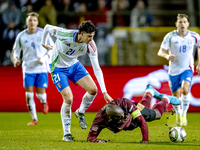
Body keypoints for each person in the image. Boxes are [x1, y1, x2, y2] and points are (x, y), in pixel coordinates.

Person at [41, 20, 113, 142]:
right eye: (89, 36)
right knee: (68, 99)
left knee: (93, 90)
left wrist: (104, 91)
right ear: (81, 33)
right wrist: (44, 44)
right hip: (58, 68)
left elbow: (97, 68)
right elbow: (47, 28)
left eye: (93, 36)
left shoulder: (90, 45)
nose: (91, 39)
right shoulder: (65, 34)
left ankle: (80, 111)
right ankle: (67, 134)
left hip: (74, 65)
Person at [87, 84, 181, 143]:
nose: (123, 119)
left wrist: (145, 140)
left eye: (123, 117)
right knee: (146, 109)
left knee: (156, 115)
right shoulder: (99, 120)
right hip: (128, 118)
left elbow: (142, 121)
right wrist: (99, 141)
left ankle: (166, 99)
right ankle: (149, 92)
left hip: (134, 109)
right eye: (120, 120)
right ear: (109, 119)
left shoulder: (126, 104)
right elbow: (90, 137)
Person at [157, 14, 200, 126]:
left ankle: (184, 115)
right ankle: (178, 113)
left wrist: (199, 63)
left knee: (185, 89)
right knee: (176, 96)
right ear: (176, 24)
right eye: (180, 22)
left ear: (188, 24)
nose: (182, 24)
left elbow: (199, 47)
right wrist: (167, 56)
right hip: (173, 71)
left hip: (187, 68)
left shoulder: (194, 36)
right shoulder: (170, 36)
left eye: (184, 22)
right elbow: (160, 52)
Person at [13, 12, 53, 125]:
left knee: (40, 94)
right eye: (30, 20)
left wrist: (45, 58)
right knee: (29, 95)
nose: (32, 22)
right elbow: (16, 50)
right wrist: (16, 59)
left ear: (37, 22)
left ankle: (44, 101)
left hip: (41, 68)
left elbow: (52, 48)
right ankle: (34, 119)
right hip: (28, 68)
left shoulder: (43, 34)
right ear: (26, 22)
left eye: (34, 20)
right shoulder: (21, 36)